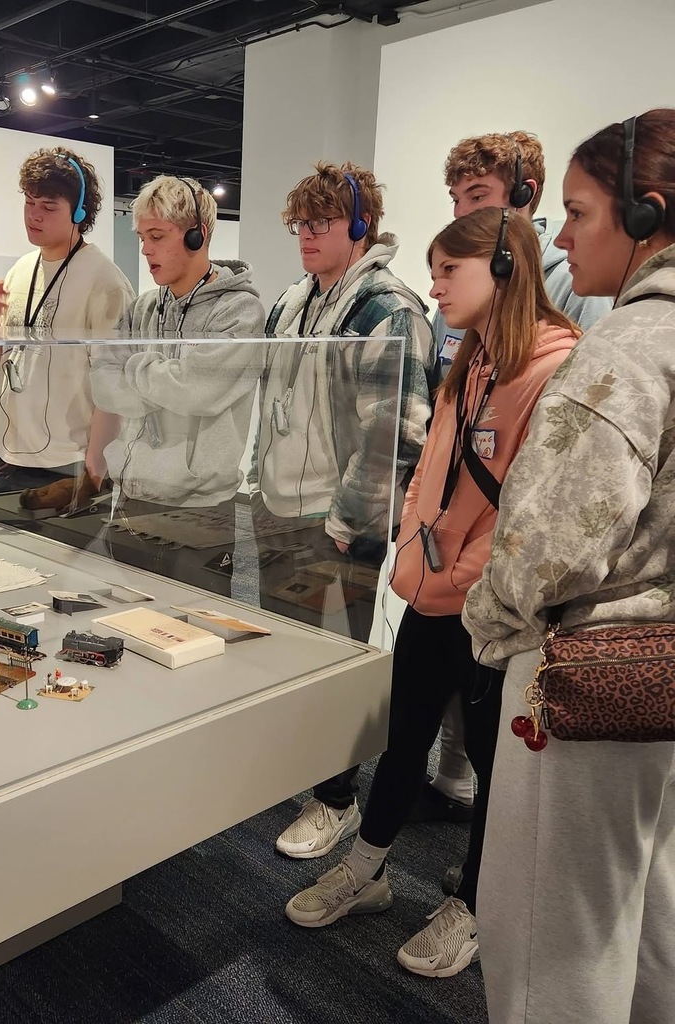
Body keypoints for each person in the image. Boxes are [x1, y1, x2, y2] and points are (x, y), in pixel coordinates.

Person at [284, 207, 580, 981]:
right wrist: (418, 555)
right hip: (434, 590)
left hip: (494, 612)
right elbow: (429, 468)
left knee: (491, 764)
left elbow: (530, 511)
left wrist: (456, 577)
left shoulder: (554, 366)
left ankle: (478, 903)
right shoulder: (471, 358)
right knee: (402, 733)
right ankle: (370, 867)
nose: (435, 284)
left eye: (451, 270)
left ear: (505, 269)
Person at [464, 109, 675, 1023]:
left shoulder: (625, 350)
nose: (561, 234)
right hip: (661, 673)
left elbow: (551, 549)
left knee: (553, 934)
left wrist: (485, 617)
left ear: (644, 214)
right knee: (647, 904)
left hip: (586, 679)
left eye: (581, 214)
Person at [424, 130, 613, 836]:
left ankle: (478, 862)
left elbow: (530, 459)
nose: (465, 210)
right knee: (452, 699)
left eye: (477, 197)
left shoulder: (569, 302)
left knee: (493, 714)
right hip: (459, 553)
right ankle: (452, 786)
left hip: (502, 562)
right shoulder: (471, 331)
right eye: (458, 199)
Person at [255, 160, 434, 859]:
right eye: (299, 223)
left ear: (361, 226)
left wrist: (346, 519)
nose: (304, 234)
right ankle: (305, 774)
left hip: (337, 522)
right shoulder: (293, 298)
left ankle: (334, 798)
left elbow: (394, 432)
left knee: (333, 660)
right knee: (290, 652)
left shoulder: (387, 309)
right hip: (279, 502)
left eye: (320, 223)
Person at [89, 173, 265, 595]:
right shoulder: (144, 306)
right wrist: (160, 379)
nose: (146, 249)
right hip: (132, 499)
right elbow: (104, 387)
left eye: (157, 235)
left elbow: (195, 391)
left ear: (195, 236)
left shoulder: (241, 311)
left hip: (201, 511)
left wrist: (138, 370)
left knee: (194, 637)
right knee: (125, 627)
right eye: (141, 236)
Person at [0, 147, 134, 502]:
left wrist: (95, 471)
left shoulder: (105, 281)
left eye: (48, 207)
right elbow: (10, 363)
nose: (34, 215)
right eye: (29, 203)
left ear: (79, 212)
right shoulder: (21, 269)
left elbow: (113, 388)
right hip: (6, 454)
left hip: (66, 463)